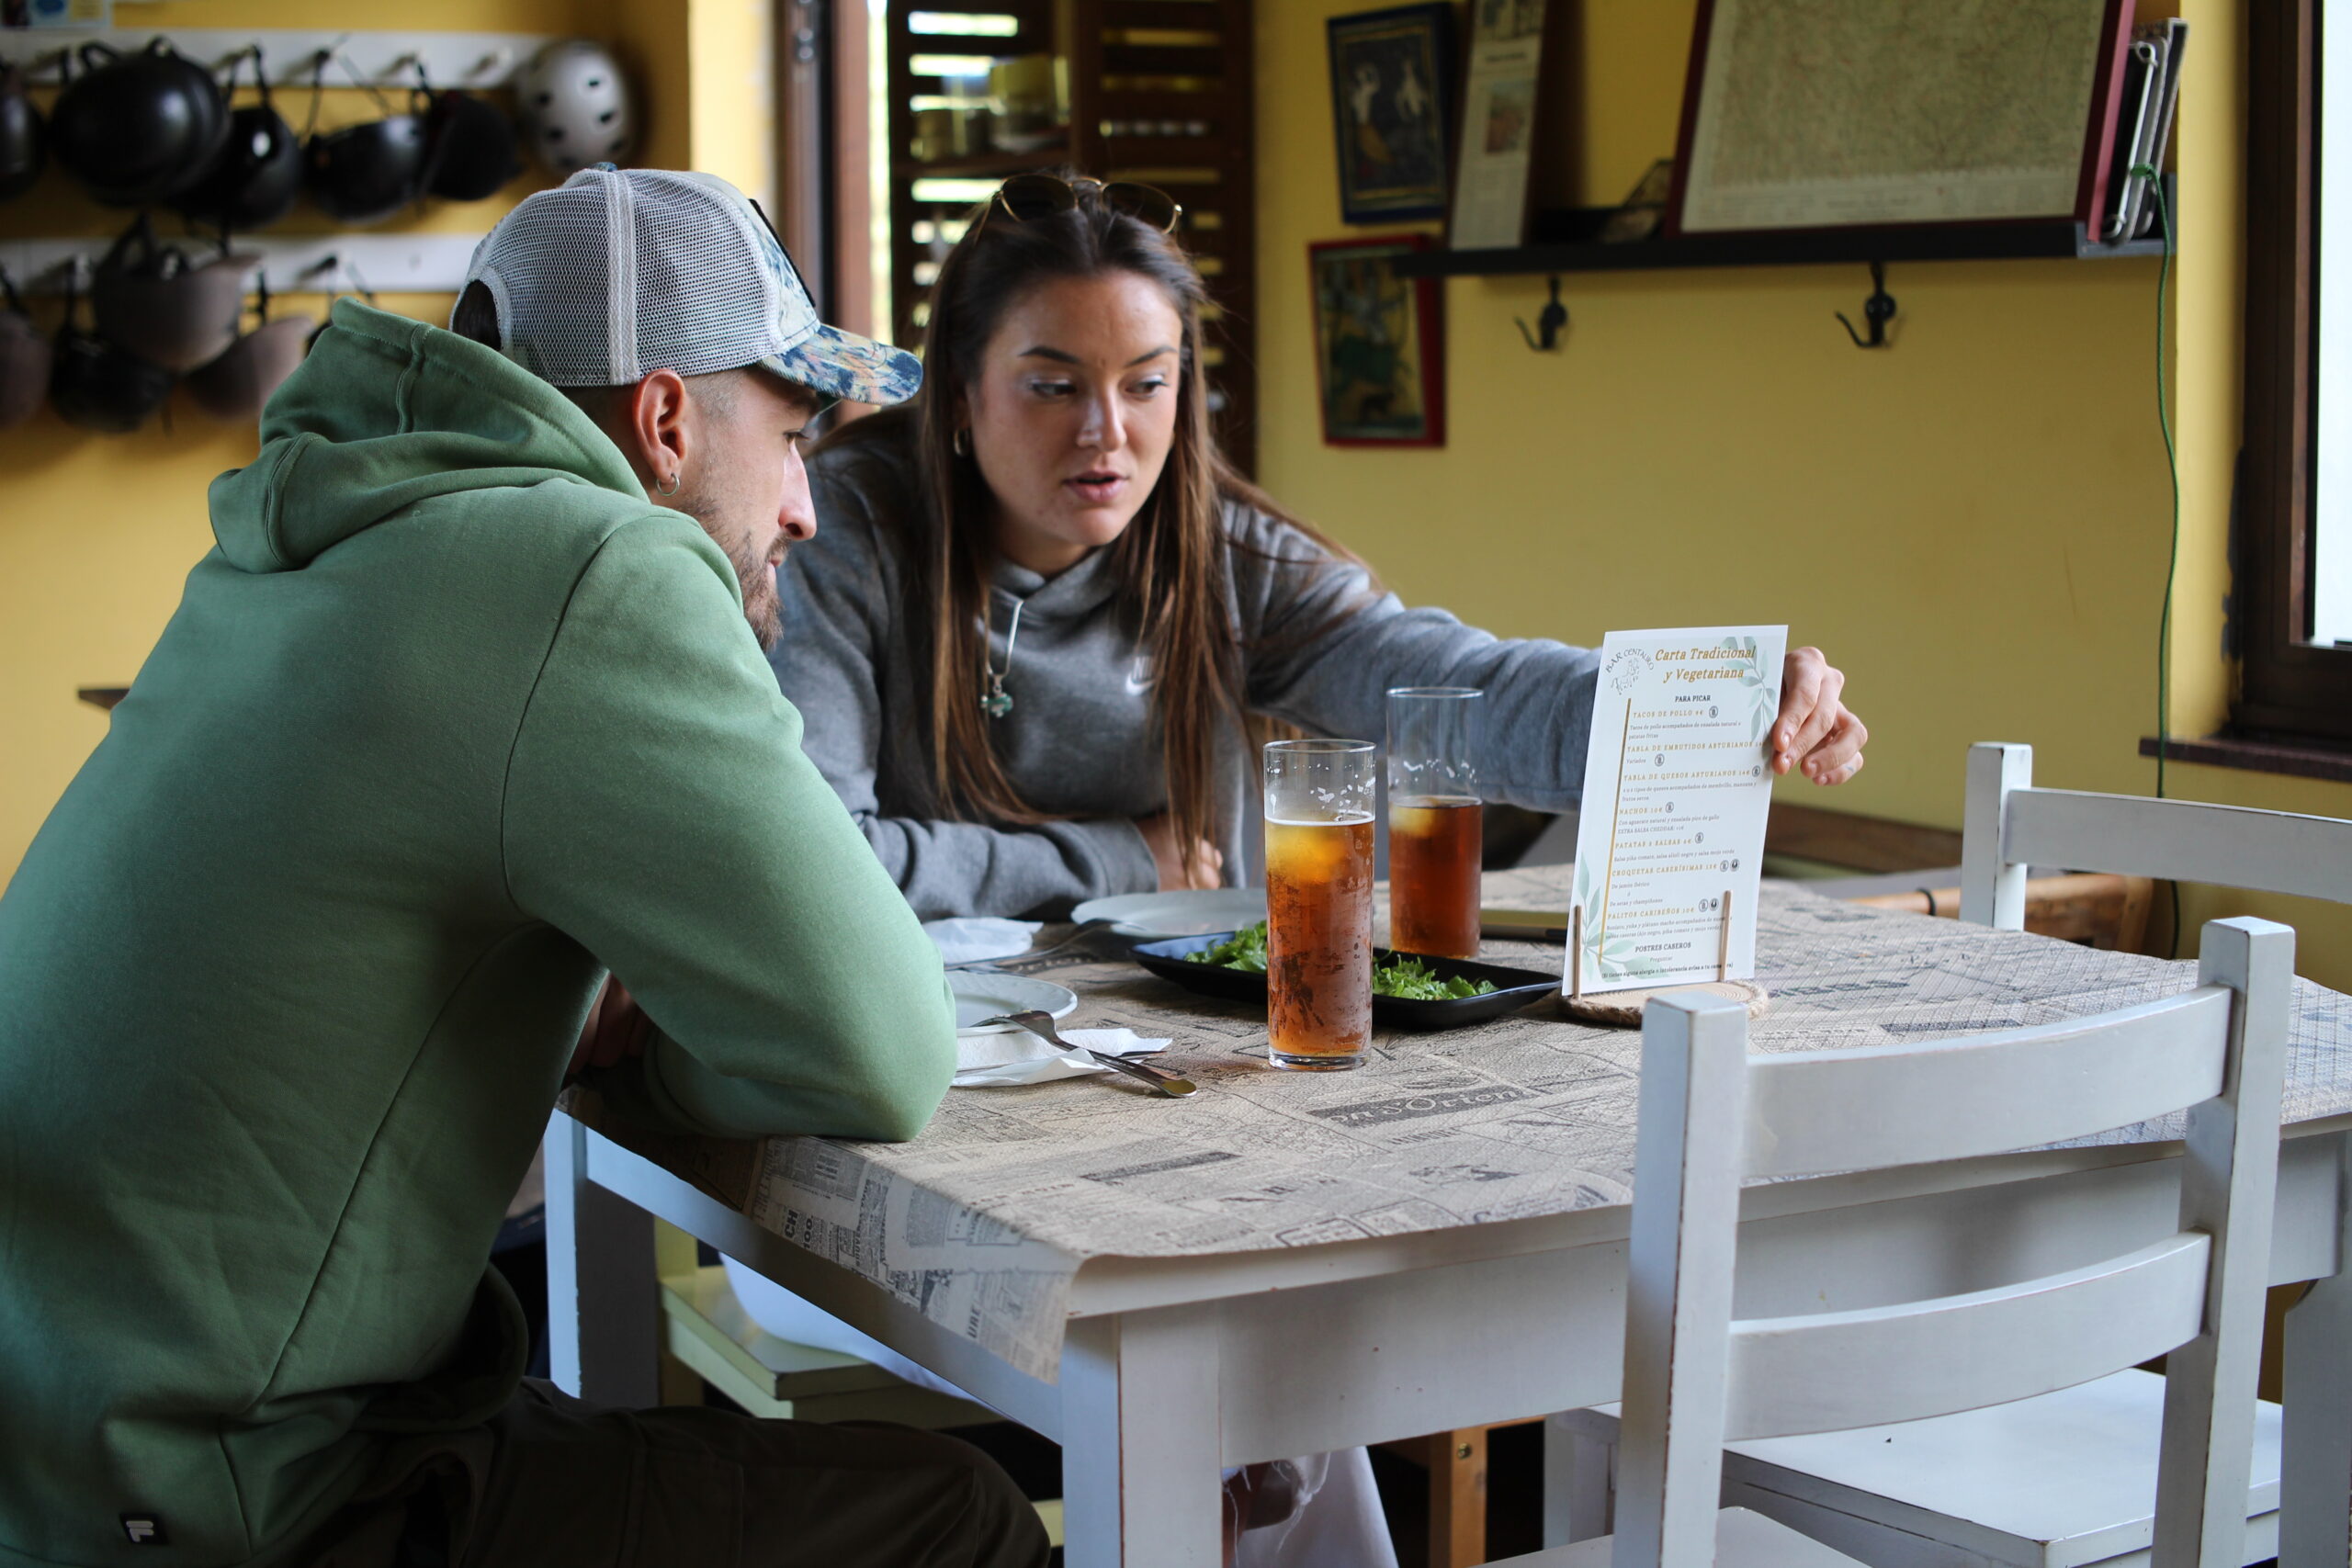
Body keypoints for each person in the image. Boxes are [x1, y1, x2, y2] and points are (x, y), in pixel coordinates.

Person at [0, 167, 1046, 1568]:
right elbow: (885, 1049)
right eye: (794, 434)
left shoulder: (320, 532)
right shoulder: (592, 563)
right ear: (666, 420)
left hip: (66, 1424)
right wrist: (653, 1050)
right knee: (957, 1513)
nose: (805, 504)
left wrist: (585, 1021)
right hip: (236, 1491)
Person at [773, 171, 1867, 923]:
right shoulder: (838, 528)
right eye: (1053, 386)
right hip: (932, 1049)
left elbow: (1460, 684)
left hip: (1181, 1041)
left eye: (1147, 385)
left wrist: (1702, 701)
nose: (1107, 432)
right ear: (960, 387)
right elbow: (816, 868)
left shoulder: (1227, 560)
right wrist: (1114, 856)